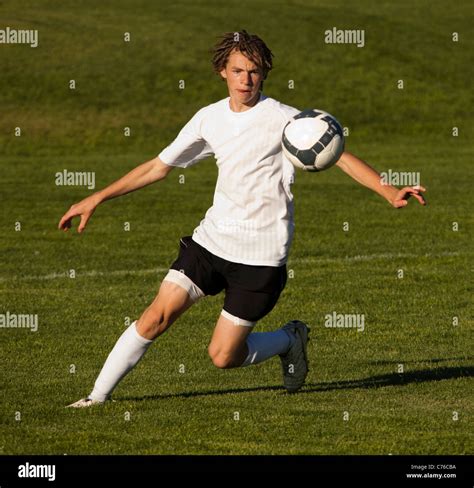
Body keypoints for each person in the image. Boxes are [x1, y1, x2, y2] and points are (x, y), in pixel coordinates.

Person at [59, 30, 426, 407]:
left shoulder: (284, 118)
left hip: (261, 256)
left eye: (253, 71)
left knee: (222, 356)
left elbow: (338, 153)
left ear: (263, 73)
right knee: (156, 316)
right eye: (237, 71)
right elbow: (158, 166)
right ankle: (96, 399)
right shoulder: (208, 118)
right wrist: (97, 197)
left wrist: (387, 189)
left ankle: (289, 339)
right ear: (223, 72)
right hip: (212, 241)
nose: (245, 80)